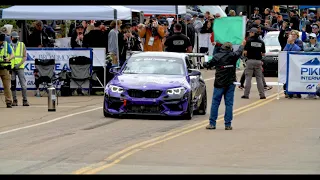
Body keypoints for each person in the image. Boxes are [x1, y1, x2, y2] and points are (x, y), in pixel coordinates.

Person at [204, 40, 246, 130]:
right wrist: (242, 45)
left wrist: (205, 63)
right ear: (231, 49)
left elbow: (208, 64)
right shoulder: (233, 56)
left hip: (219, 83)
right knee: (229, 104)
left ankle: (212, 123)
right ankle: (228, 124)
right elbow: (239, 52)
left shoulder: (217, 56)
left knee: (215, 103)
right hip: (230, 83)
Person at [242, 28, 266, 99]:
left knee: (248, 78)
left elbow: (245, 52)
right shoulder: (261, 42)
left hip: (250, 61)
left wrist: (243, 46)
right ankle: (262, 95)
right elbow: (263, 53)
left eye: (251, 32)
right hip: (258, 61)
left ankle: (246, 94)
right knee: (259, 78)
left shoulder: (248, 41)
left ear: (253, 33)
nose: (249, 33)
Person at [10, 31, 29, 106]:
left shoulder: (22, 45)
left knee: (23, 85)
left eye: (17, 37)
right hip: (11, 68)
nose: (16, 38)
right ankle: (14, 100)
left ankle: (25, 100)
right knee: (13, 85)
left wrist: (19, 64)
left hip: (20, 67)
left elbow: (24, 56)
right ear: (11, 38)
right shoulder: (9, 46)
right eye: (14, 37)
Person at [303, 33, 320, 100]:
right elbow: (305, 49)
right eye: (310, 38)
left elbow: (318, 49)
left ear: (315, 38)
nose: (311, 39)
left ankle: (316, 92)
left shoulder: (319, 44)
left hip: (317, 64)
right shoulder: (307, 44)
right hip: (309, 65)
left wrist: (312, 49)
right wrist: (313, 48)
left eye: (312, 38)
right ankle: (310, 93)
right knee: (309, 77)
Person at [0, 33, 15, 108]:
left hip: (4, 68)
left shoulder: (6, 45)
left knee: (7, 86)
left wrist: (8, 58)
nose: (1, 42)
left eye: (1, 41)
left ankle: (9, 102)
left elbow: (12, 54)